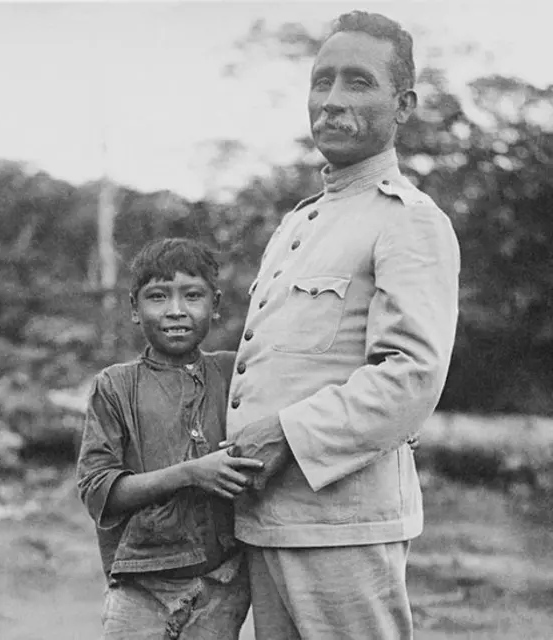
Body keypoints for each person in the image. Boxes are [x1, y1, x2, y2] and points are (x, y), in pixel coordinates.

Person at [223, 10, 461, 639]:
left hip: (344, 530)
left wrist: (286, 435)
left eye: (357, 82)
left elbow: (411, 378)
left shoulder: (409, 220)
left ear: (402, 105)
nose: (329, 101)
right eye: (320, 81)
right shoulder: (298, 223)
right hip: (266, 520)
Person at [76, 238, 264, 640]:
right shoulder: (115, 386)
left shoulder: (235, 373)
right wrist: (189, 473)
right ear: (133, 307)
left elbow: (302, 402)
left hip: (224, 582)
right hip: (141, 585)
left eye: (192, 296)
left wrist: (388, 433)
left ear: (214, 305)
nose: (176, 310)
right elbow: (97, 490)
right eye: (158, 296)